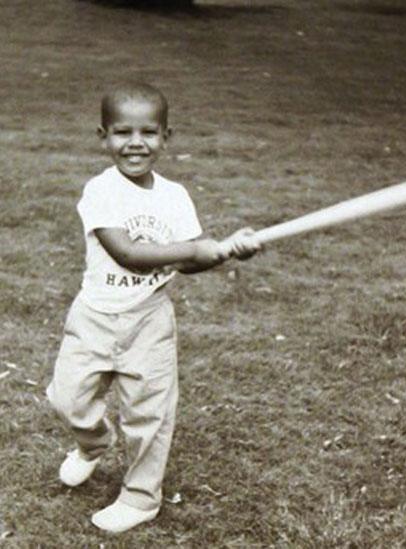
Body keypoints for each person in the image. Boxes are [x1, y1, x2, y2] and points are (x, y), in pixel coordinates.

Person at [45, 81, 261, 533]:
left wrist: (222, 252)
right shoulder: (100, 191)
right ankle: (93, 443)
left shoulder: (175, 197)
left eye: (149, 132)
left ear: (167, 137)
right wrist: (196, 250)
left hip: (149, 320)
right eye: (122, 132)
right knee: (68, 400)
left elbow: (189, 263)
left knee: (150, 414)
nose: (136, 142)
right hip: (95, 317)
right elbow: (127, 252)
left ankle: (141, 497)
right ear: (102, 137)